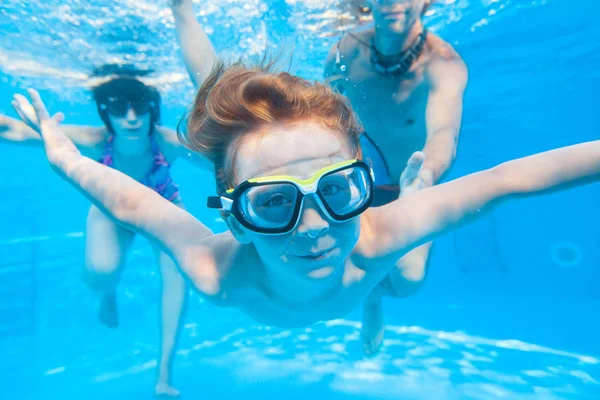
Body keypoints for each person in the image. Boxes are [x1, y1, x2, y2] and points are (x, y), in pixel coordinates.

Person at [12, 62, 599, 360]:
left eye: (339, 192)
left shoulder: (377, 232)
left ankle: (412, 190)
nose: (315, 227)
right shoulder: (215, 271)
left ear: (364, 187)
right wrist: (61, 155)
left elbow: (507, 181)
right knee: (395, 271)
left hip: (376, 262)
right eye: (274, 203)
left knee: (408, 280)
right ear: (236, 218)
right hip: (358, 266)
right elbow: (127, 200)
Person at [1, 63, 214, 397]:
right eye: (118, 108)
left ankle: (164, 373)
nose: (131, 117)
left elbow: (216, 157)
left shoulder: (167, 142)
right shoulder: (97, 140)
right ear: (106, 112)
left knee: (182, 276)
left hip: (164, 204)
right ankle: (108, 291)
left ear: (151, 109)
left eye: (140, 107)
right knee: (101, 272)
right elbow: (15, 131)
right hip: (109, 208)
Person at [323, 0, 468, 353]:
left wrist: (422, 181)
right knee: (338, 271)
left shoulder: (442, 64)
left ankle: (374, 300)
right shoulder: (345, 49)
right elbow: (323, 109)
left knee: (408, 279)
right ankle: (370, 298)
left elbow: (444, 134)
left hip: (413, 181)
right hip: (357, 179)